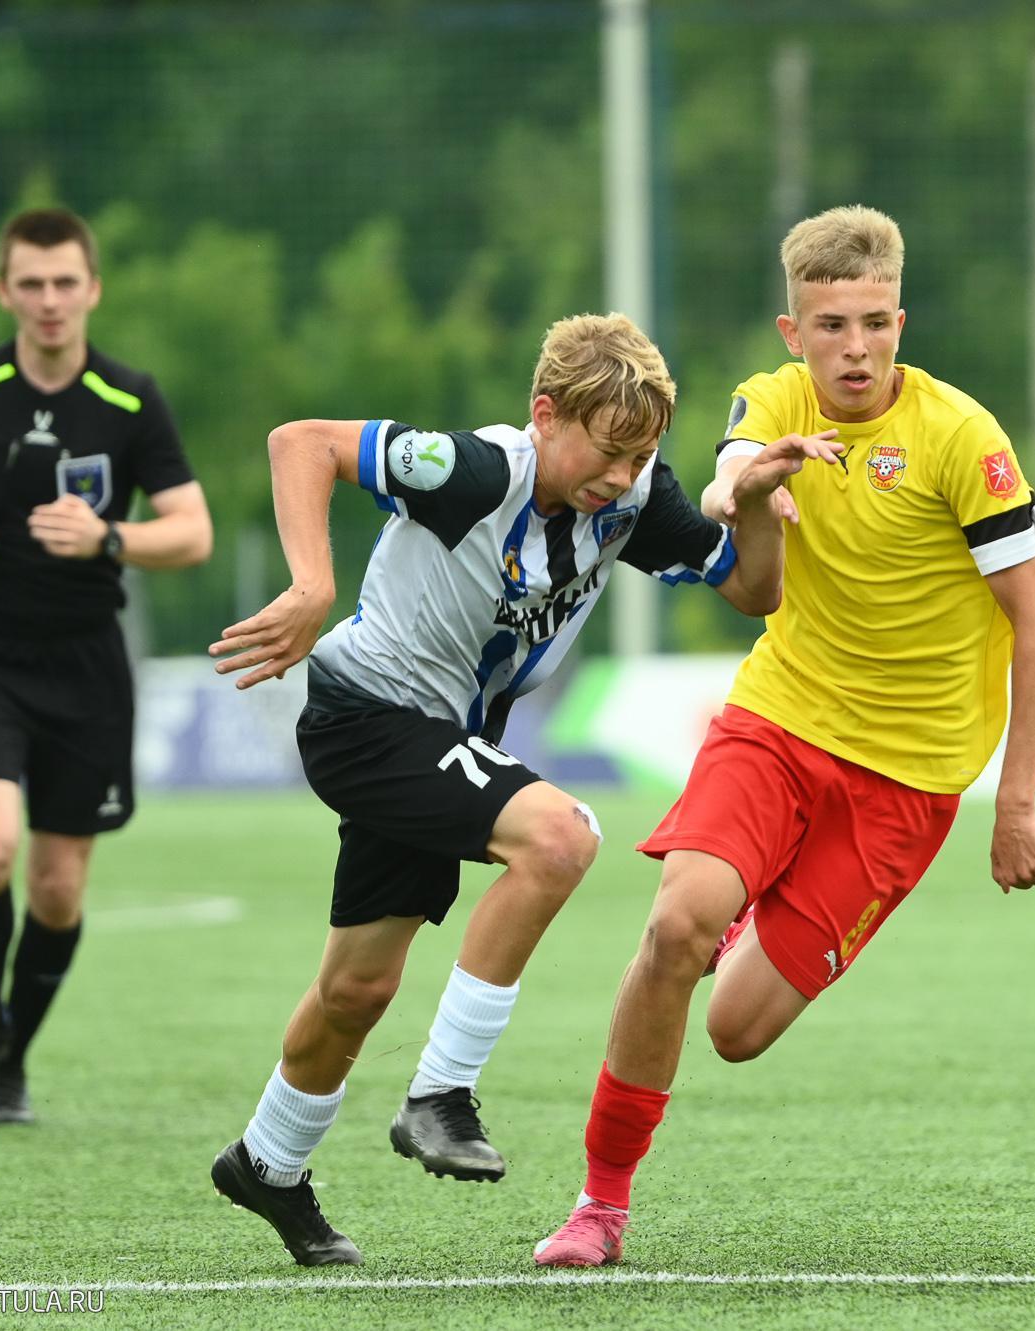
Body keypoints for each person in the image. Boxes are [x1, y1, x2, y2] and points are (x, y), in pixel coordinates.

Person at [205, 312, 840, 1267]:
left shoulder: (631, 499)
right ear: (546, 415)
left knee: (358, 986)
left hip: (437, 740)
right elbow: (302, 443)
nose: (623, 475)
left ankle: (267, 1160)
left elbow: (755, 591)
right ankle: (439, 1094)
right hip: (366, 716)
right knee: (560, 835)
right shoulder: (472, 470)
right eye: (609, 450)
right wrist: (310, 586)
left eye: (642, 455)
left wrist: (752, 500)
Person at [533, 205, 1035, 1268]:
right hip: (780, 719)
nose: (855, 348)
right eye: (831, 325)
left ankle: (748, 911)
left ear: (900, 321)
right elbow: (729, 467)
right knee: (675, 927)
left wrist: (1014, 803)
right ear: (795, 332)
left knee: (735, 1029)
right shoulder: (773, 397)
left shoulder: (962, 436)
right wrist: (743, 488)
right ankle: (600, 1203)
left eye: (874, 323)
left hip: (908, 780)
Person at [0, 207, 214, 1127]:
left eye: (66, 282)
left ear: (93, 288)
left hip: (85, 666)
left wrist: (110, 535)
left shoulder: (131, 400)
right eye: (32, 283)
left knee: (57, 887)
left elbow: (192, 531)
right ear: (5, 291)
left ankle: (12, 1059)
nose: (50, 300)